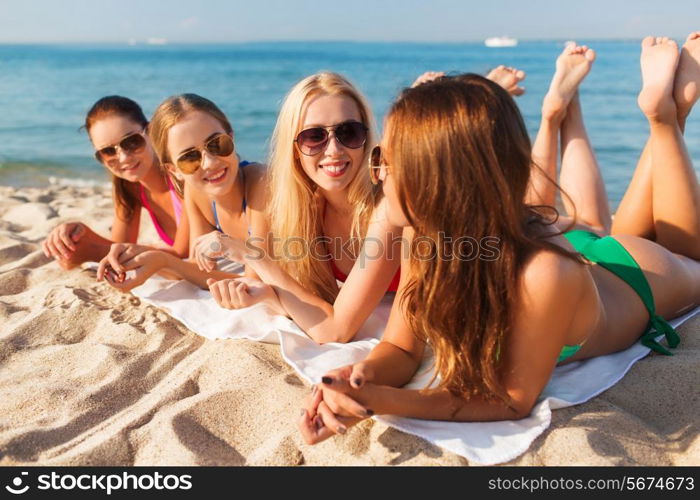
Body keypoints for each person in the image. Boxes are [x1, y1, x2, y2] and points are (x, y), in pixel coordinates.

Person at [298, 36, 700, 442]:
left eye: (386, 159)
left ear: (436, 179)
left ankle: (664, 118)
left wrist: (381, 402)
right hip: (579, 263)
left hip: (638, 275)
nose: (378, 172)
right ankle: (653, 113)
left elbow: (511, 400)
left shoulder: (546, 274)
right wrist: (359, 377)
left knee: (691, 256)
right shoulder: (422, 236)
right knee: (612, 224)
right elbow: (403, 349)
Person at [97, 94, 268, 291]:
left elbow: (255, 281)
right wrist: (158, 260)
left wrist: (168, 262)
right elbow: (201, 268)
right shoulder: (197, 193)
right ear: (173, 170)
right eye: (189, 158)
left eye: (216, 144)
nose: (210, 162)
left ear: (231, 136)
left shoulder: (261, 182)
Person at [42, 96, 188, 268]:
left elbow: (183, 254)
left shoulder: (182, 177)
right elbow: (118, 246)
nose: (124, 158)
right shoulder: (130, 187)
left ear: (150, 132)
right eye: (108, 151)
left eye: (131, 142)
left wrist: (90, 251)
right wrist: (77, 232)